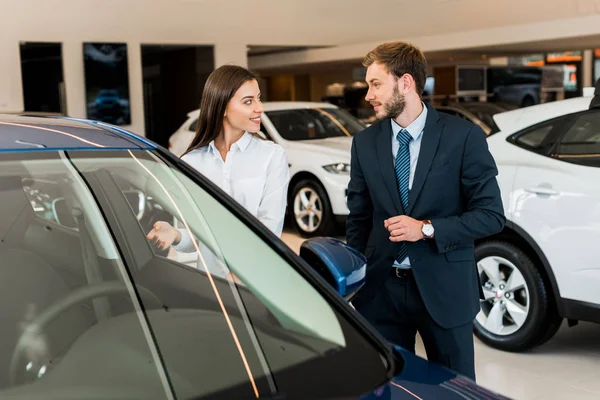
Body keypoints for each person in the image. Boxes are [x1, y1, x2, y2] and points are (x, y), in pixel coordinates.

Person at [346, 41, 505, 381]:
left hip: (445, 289)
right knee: (388, 387)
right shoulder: (364, 143)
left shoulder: (463, 137)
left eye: (376, 84)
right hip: (381, 293)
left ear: (406, 83)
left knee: (455, 390)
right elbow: (358, 218)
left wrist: (427, 228)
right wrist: (355, 282)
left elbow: (491, 215)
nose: (368, 95)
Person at [147, 65, 290, 258]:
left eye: (259, 98)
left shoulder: (272, 156)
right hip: (212, 282)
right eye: (248, 101)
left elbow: (271, 233)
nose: (260, 108)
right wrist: (176, 235)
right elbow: (198, 239)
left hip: (256, 282)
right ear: (221, 106)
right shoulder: (191, 162)